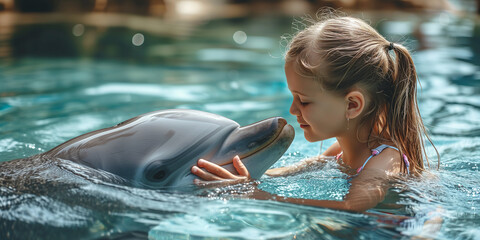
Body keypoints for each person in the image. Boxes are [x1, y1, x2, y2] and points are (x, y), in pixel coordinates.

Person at [190, 12, 438, 212]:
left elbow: (352, 208)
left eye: (304, 101)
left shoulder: (384, 160)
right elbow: (289, 172)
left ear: (352, 105)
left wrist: (261, 197)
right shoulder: (342, 148)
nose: (292, 110)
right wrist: (240, 178)